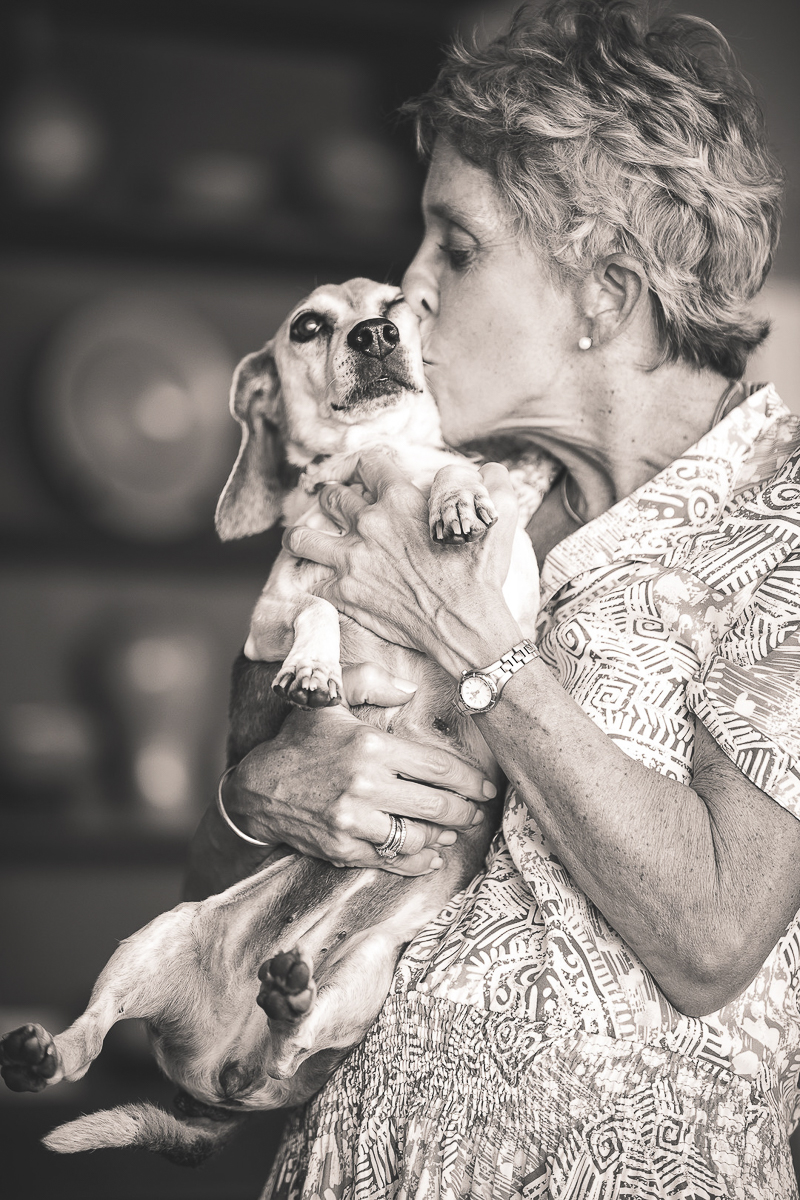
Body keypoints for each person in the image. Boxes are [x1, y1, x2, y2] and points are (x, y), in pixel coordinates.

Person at [187, 2, 800, 1195]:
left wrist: (474, 644)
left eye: (454, 249)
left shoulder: (779, 523)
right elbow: (207, 900)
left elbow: (713, 937)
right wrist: (256, 795)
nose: (407, 294)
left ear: (602, 293)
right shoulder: (420, 488)